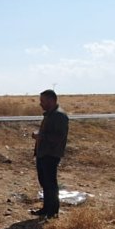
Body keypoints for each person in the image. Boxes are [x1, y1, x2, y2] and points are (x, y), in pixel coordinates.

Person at [31, 89, 69, 217]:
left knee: (50, 183)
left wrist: (41, 136)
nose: (40, 104)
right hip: (43, 153)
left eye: (42, 101)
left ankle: (53, 212)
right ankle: (46, 209)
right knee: (45, 182)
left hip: (51, 154)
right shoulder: (50, 114)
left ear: (51, 101)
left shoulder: (59, 116)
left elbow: (59, 137)